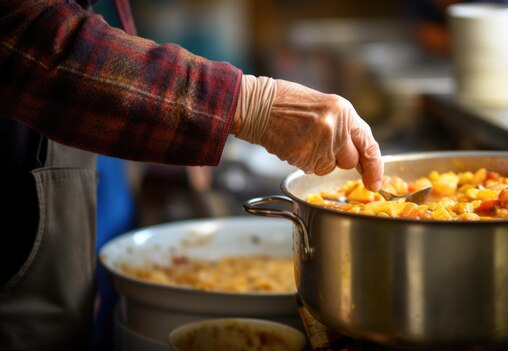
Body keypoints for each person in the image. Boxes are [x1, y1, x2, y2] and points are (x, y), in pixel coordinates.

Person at [0, 0, 383, 350]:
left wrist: (172, 126)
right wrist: (246, 105)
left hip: (84, 140)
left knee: (87, 309)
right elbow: (20, 35)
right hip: (21, 164)